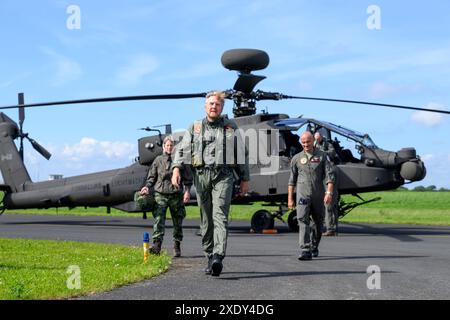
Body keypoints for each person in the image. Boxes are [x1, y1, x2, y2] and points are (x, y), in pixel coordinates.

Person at [171, 91, 250, 277]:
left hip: (223, 175)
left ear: (222, 107)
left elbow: (241, 153)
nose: (214, 106)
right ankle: (209, 255)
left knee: (219, 215)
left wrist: (245, 178)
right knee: (206, 218)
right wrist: (176, 169)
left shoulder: (231, 127)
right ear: (205, 107)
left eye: (217, 104)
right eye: (211, 104)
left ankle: (218, 256)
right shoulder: (195, 127)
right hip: (201, 176)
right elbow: (182, 149)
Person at [140, 135, 192, 257]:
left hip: (175, 195)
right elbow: (152, 177)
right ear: (163, 147)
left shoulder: (180, 160)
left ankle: (176, 245)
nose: (169, 147)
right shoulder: (158, 160)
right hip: (160, 195)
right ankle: (157, 246)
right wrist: (147, 186)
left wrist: (187, 191)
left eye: (171, 145)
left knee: (178, 221)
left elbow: (188, 178)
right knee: (158, 220)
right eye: (167, 145)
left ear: (174, 147)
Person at [288, 131, 335, 260]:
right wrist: (290, 199)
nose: (305, 144)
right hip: (302, 195)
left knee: (318, 223)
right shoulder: (296, 159)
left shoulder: (322, 156)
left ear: (313, 141)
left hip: (318, 194)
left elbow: (329, 177)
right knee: (302, 219)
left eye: (308, 141)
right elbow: (291, 181)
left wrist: (329, 193)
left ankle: (314, 245)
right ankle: (305, 249)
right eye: (303, 142)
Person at [314, 132, 339, 236]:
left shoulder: (327, 145)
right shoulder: (315, 144)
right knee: (330, 206)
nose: (317, 140)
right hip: (324, 177)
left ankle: (331, 229)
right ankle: (333, 229)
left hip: (328, 180)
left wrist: (322, 152)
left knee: (329, 205)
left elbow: (332, 152)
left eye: (318, 139)